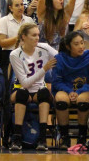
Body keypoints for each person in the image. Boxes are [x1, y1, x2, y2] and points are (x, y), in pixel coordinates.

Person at [9, 23, 57, 151]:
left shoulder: (45, 48)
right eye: (34, 35)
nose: (37, 38)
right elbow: (24, 83)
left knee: (45, 93)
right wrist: (44, 69)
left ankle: (42, 139)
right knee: (22, 93)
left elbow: (61, 59)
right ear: (24, 37)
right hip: (22, 88)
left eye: (38, 35)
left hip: (38, 90)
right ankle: (17, 138)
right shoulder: (15, 54)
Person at [52, 31, 89, 149]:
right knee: (61, 100)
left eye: (82, 43)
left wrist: (78, 92)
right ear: (68, 46)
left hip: (86, 90)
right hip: (67, 89)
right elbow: (57, 82)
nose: (81, 47)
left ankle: (82, 136)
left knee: (82, 101)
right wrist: (69, 92)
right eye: (76, 44)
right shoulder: (59, 58)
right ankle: (64, 137)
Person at [0, 0, 34, 77]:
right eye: (17, 5)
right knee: (10, 85)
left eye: (21, 4)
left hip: (27, 55)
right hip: (9, 55)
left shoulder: (29, 20)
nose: (20, 7)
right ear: (10, 8)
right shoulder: (4, 20)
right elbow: (2, 43)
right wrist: (19, 37)